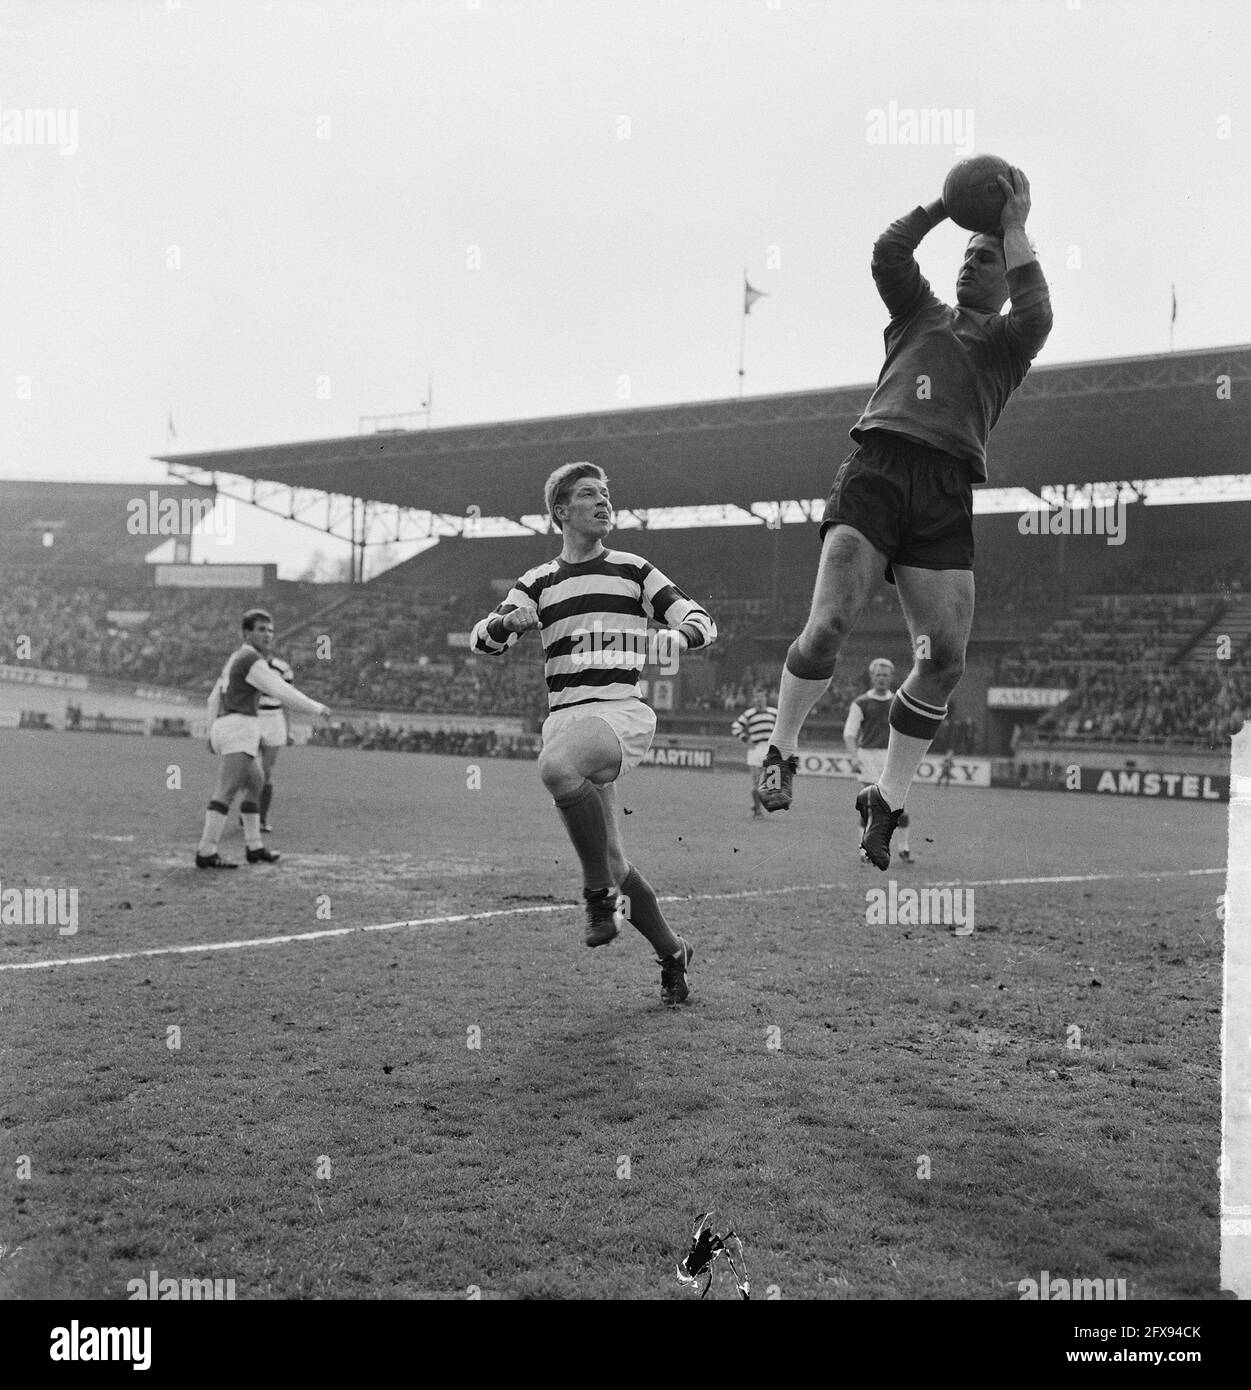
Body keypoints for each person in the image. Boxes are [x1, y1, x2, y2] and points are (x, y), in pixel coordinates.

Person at [758, 168, 1052, 869]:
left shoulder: (1012, 340)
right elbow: (889, 252)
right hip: (878, 472)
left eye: (984, 257)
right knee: (828, 627)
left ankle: (884, 801)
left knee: (943, 662)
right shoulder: (917, 310)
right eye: (964, 253)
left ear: (1005, 273)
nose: (969, 261)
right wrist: (943, 207)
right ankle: (780, 749)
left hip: (945, 493)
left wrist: (1011, 225)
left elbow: (1040, 310)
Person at [470, 462, 716, 1005]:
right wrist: (504, 624)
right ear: (561, 511)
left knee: (556, 770)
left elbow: (697, 615)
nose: (603, 501)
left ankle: (595, 893)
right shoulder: (537, 581)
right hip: (566, 719)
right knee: (615, 858)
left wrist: (686, 633)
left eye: (606, 493)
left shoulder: (633, 569)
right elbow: (482, 640)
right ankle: (674, 951)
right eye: (588, 494)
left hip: (618, 712)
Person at [196, 609, 329, 869]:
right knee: (227, 789)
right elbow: (280, 690)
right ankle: (206, 851)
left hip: (231, 725)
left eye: (270, 630)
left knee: (256, 783)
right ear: (247, 633)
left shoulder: (236, 657)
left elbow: (213, 696)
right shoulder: (251, 659)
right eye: (261, 630)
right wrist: (317, 708)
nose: (267, 635)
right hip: (239, 727)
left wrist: (212, 731)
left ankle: (254, 847)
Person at [844, 658, 913, 862]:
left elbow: (908, 733)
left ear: (891, 678)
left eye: (885, 675)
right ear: (872, 677)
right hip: (868, 756)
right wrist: (854, 757)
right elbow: (850, 733)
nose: (881, 678)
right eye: (878, 675)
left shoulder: (899, 702)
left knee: (899, 806)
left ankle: (904, 848)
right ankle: (865, 850)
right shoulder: (861, 703)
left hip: (894, 757)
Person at [254, 654, 295, 832]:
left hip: (273, 721)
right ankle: (248, 811)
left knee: (266, 772)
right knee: (248, 772)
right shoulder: (247, 663)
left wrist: (288, 729)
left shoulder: (283, 668)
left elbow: (287, 699)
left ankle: (260, 819)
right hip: (251, 720)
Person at [731, 686, 778, 819]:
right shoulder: (749, 714)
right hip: (755, 750)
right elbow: (735, 727)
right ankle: (757, 811)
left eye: (762, 696)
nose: (759, 699)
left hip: (770, 750)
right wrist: (746, 739)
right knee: (756, 783)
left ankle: (757, 803)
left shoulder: (774, 713)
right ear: (753, 699)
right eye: (757, 697)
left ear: (766, 698)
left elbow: (783, 727)